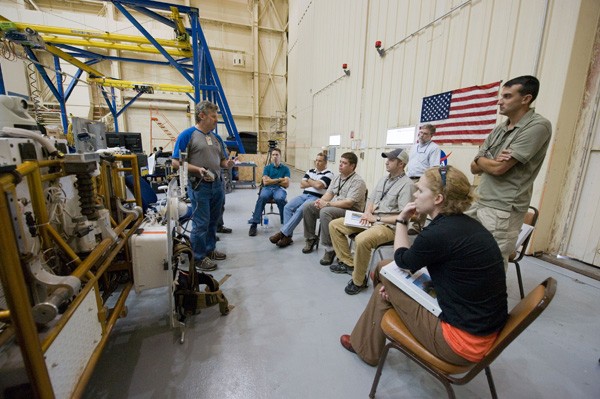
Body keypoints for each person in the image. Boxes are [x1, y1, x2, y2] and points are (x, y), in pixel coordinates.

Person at [340, 166, 508, 367]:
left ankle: (365, 348)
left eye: (420, 190)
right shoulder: (468, 225)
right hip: (480, 328)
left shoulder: (438, 234)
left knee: (385, 277)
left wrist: (402, 220)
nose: (415, 195)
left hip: (459, 343)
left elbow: (402, 259)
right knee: (385, 268)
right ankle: (370, 332)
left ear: (438, 199)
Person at [468, 75, 552, 268]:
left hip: (502, 208)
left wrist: (483, 160)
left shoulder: (538, 126)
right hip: (480, 200)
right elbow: (473, 167)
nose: (500, 101)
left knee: (491, 263)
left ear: (526, 99)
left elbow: (499, 168)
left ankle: (488, 299)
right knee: (466, 252)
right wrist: (485, 160)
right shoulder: (500, 129)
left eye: (506, 96)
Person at [328, 148, 414, 295]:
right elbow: (371, 200)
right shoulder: (383, 180)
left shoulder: (407, 185)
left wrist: (377, 218)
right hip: (371, 220)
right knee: (335, 225)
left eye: (391, 160)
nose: (386, 162)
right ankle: (349, 264)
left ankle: (358, 281)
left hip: (388, 226)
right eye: (387, 159)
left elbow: (403, 216)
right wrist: (367, 213)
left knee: (362, 239)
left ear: (401, 164)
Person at [172, 101, 234, 271]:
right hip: (200, 186)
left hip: (217, 185)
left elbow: (221, 161)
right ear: (202, 116)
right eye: (213, 116)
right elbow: (176, 162)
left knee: (213, 221)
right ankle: (199, 257)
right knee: (201, 223)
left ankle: (209, 250)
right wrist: (197, 169)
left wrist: (226, 163)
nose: (216, 120)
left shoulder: (216, 138)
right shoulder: (188, 135)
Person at [302, 152, 367, 265]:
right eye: (340, 162)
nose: (340, 165)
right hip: (337, 207)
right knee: (308, 206)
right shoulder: (337, 177)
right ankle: (311, 238)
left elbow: (348, 203)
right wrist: (320, 201)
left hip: (353, 212)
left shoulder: (358, 182)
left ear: (352, 166)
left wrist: (327, 204)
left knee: (325, 211)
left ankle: (330, 249)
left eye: (344, 163)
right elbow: (329, 194)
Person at [268, 152, 334, 247]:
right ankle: (288, 237)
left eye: (320, 161)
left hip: (316, 198)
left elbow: (319, 185)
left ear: (325, 163)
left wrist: (309, 181)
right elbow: (302, 184)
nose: (317, 163)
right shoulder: (310, 171)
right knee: (287, 207)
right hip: (304, 195)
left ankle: (282, 233)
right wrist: (314, 183)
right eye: (316, 160)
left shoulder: (329, 174)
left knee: (300, 210)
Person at [406, 124, 441, 233]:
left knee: (421, 203)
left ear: (431, 136)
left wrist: (427, 182)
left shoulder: (434, 148)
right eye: (420, 133)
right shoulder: (414, 147)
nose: (421, 135)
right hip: (409, 178)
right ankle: (405, 222)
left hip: (421, 179)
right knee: (408, 202)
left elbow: (434, 167)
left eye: (425, 134)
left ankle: (417, 227)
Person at [248, 148, 290, 236]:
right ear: (271, 157)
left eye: (277, 155)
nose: (275, 157)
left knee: (280, 198)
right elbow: (265, 182)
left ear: (280, 156)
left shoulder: (285, 169)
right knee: (262, 197)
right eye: (273, 155)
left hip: (279, 189)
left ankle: (285, 223)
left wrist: (272, 180)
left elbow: (286, 184)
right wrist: (279, 180)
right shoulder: (267, 168)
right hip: (267, 188)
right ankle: (254, 223)